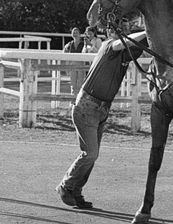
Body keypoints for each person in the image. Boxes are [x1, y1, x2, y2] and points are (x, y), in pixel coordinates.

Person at [56, 20, 148, 209]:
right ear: (108, 31)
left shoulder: (124, 53)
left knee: (91, 155)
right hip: (87, 107)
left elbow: (144, 46)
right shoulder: (109, 46)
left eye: (125, 28)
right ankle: (65, 186)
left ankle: (76, 191)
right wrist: (148, 30)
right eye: (119, 28)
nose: (123, 31)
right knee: (90, 153)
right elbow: (122, 42)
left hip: (99, 109)